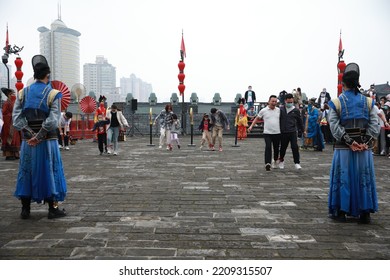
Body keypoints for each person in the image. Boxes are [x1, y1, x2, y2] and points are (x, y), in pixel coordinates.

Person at [12, 55, 67, 219]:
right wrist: (40, 134)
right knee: (49, 170)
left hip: (27, 142)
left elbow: (16, 118)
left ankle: (25, 209)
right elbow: (54, 118)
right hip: (47, 141)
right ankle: (52, 208)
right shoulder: (53, 93)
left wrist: (30, 134)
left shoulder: (23, 93)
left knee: (26, 171)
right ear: (47, 76)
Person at [328, 62, 380, 224]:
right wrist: (365, 142)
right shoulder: (369, 102)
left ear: (343, 84)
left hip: (344, 147)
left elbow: (334, 126)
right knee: (363, 177)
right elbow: (375, 124)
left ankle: (342, 211)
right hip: (364, 147)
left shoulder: (336, 102)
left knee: (343, 177)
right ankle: (365, 213)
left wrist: (350, 142)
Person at [248, 95, 281, 171]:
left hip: (277, 132)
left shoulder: (279, 110)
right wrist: (251, 126)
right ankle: (267, 163)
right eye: (272, 101)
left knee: (276, 148)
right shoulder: (264, 110)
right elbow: (256, 119)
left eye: (275, 101)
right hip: (267, 132)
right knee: (268, 147)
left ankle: (275, 160)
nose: (274, 103)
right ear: (269, 101)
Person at [278, 93, 304, 170]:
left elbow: (300, 121)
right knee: (283, 148)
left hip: (292, 131)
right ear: (285, 101)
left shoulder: (295, 110)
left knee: (294, 147)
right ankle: (281, 161)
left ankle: (297, 162)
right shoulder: (281, 109)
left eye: (291, 102)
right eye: (288, 102)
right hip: (283, 132)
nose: (289, 103)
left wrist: (303, 131)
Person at [1, 87, 21, 160]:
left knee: (16, 138)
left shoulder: (14, 102)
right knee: (10, 139)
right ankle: (9, 154)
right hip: (8, 124)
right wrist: (11, 115)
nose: (13, 95)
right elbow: (4, 113)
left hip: (14, 122)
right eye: (12, 94)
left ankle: (15, 154)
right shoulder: (6, 103)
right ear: (9, 95)